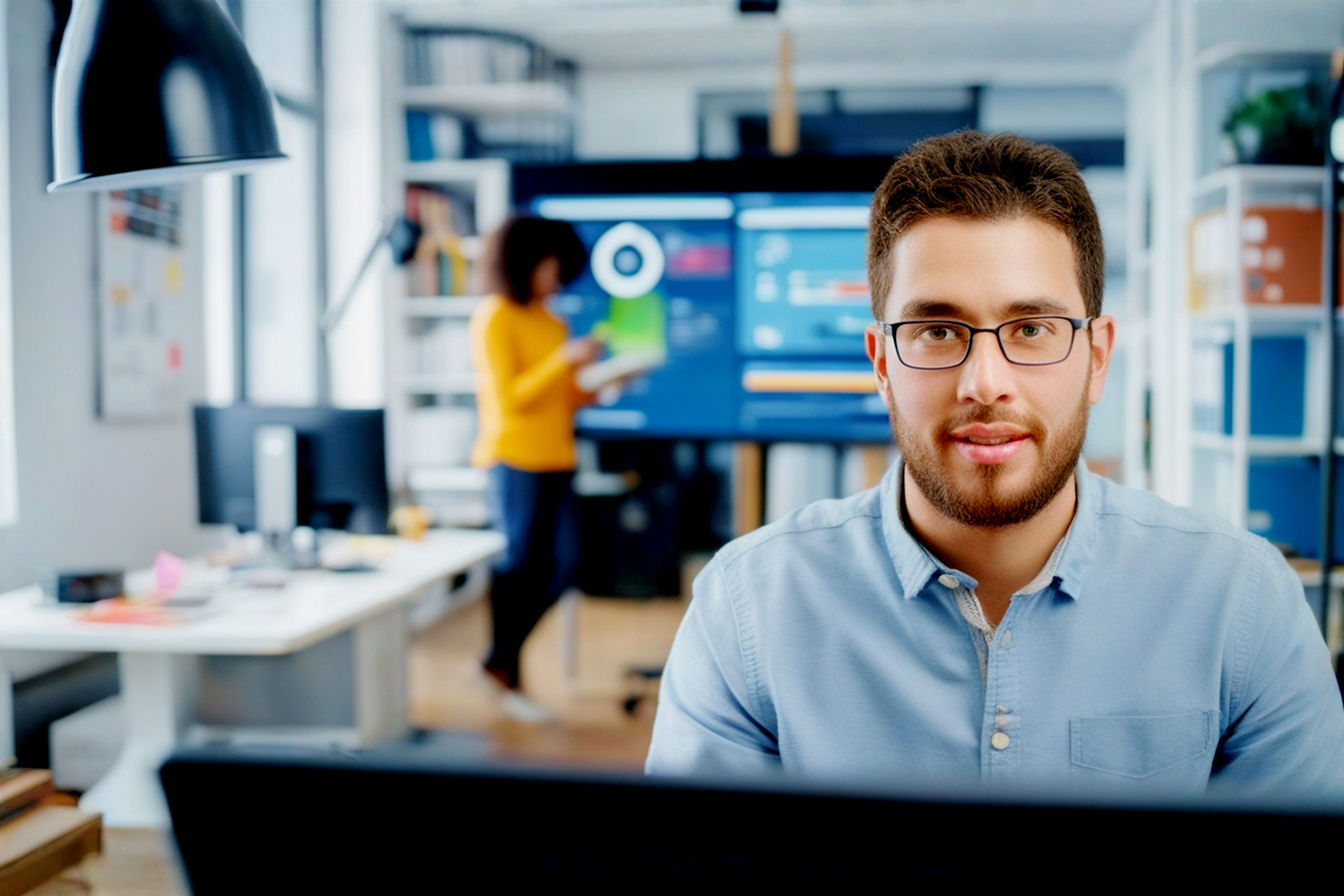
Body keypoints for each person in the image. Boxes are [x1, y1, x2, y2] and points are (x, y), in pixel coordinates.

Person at [645, 131, 1344, 796]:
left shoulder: (1241, 604)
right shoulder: (747, 610)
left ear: (1098, 357)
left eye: (1032, 328)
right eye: (937, 330)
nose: (985, 383)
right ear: (882, 364)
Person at [469, 215, 602, 723]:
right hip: (514, 459)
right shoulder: (495, 317)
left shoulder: (552, 321)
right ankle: (506, 669)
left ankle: (495, 661)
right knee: (518, 568)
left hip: (557, 457)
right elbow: (510, 400)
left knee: (568, 565)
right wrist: (563, 361)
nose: (555, 278)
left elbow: (560, 398)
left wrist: (598, 384)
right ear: (521, 263)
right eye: (547, 267)